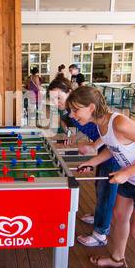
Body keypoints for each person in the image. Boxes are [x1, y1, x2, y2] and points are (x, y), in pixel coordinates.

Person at [66, 85, 135, 268]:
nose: (72, 115)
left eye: (76, 110)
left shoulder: (119, 122)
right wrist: (92, 162)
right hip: (130, 177)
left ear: (91, 107)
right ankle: (117, 258)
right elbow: (112, 147)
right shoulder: (102, 125)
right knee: (119, 216)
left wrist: (126, 173)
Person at [48, 78, 120, 247]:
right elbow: (86, 128)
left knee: (106, 190)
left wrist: (94, 146)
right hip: (103, 151)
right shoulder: (72, 113)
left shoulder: (81, 108)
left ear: (70, 94)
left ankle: (100, 232)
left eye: (58, 97)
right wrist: (76, 137)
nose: (55, 102)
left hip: (112, 151)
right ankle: (99, 215)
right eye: (52, 98)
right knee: (99, 186)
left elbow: (107, 129)